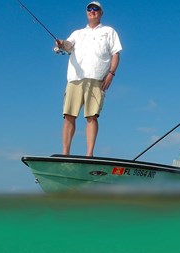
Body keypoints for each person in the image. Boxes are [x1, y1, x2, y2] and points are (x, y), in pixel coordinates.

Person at [54, 1, 122, 157]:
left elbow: (116, 54)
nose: (92, 11)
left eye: (96, 8)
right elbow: (67, 45)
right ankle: (65, 153)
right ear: (86, 12)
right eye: (89, 9)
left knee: (92, 116)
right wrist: (62, 43)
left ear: (101, 13)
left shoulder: (109, 31)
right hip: (75, 79)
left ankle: (89, 154)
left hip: (97, 79)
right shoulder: (77, 33)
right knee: (69, 115)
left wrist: (111, 73)